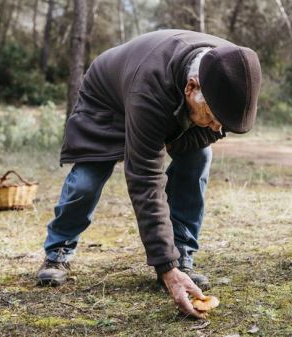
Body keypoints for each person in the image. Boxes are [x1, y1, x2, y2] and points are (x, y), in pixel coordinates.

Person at [37, 29, 262, 318]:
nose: (218, 128)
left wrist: (196, 126)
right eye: (213, 117)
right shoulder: (150, 88)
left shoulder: (231, 72)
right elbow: (145, 180)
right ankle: (58, 251)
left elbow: (210, 132)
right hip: (108, 98)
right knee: (87, 180)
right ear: (192, 88)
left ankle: (182, 255)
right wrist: (164, 267)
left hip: (161, 98)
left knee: (198, 157)